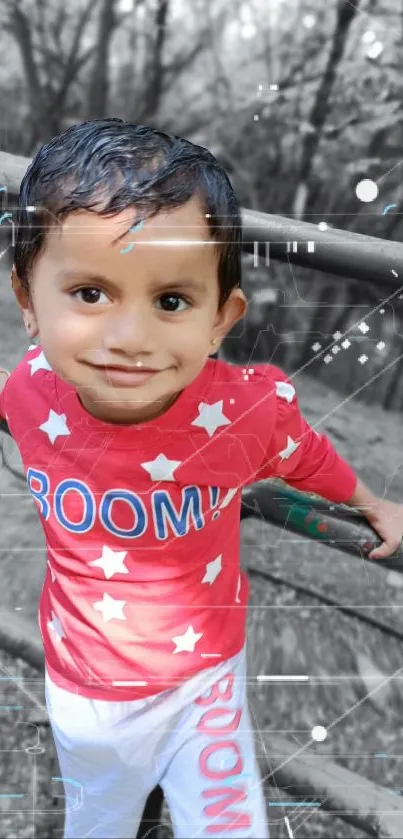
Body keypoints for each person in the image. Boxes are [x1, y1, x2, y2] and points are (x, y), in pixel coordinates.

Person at [0, 118, 402, 839]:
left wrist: (373, 503)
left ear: (221, 319)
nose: (130, 336)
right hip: (85, 692)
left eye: (172, 301)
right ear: (28, 301)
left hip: (203, 683)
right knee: (98, 825)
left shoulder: (244, 410)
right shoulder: (25, 393)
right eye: (90, 292)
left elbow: (307, 453)